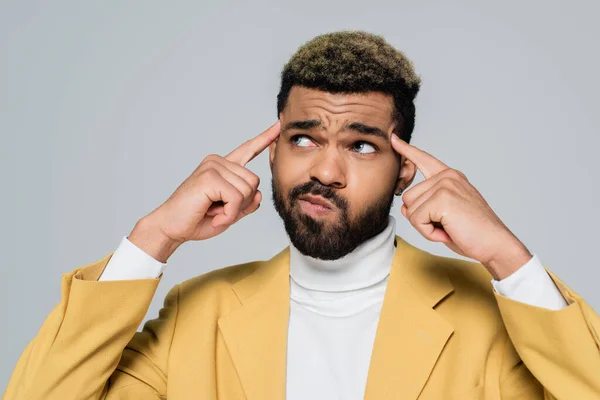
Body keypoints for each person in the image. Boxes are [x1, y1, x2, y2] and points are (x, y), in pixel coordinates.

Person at [3, 31, 600, 400]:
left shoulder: (495, 321)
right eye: (304, 139)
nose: (325, 171)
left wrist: (508, 257)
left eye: (362, 145)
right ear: (274, 149)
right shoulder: (196, 316)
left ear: (406, 173)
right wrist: (151, 237)